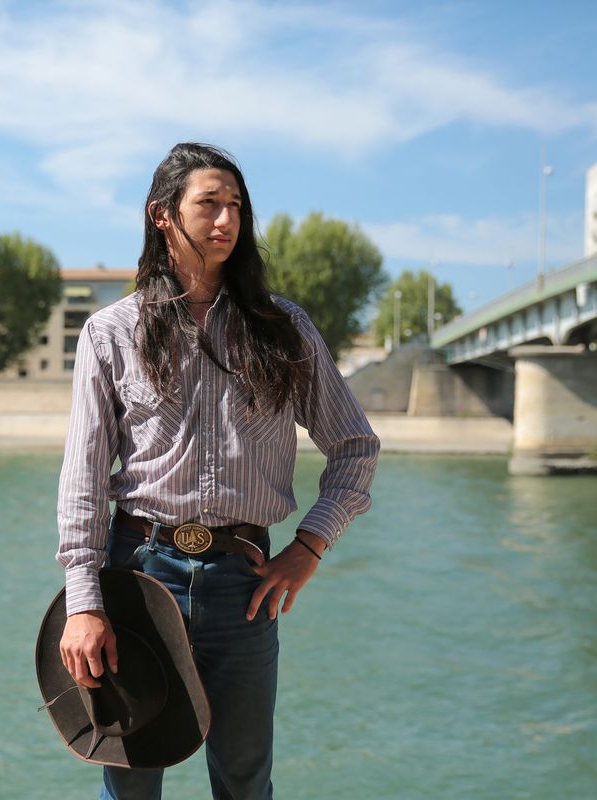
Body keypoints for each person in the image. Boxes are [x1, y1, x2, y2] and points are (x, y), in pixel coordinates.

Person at [56, 142, 379, 799]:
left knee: (243, 782)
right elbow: (83, 479)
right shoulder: (109, 334)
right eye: (208, 204)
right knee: (130, 782)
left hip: (245, 583)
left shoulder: (285, 329)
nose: (226, 219)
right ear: (162, 216)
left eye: (236, 205)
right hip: (138, 577)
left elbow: (355, 447)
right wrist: (83, 600)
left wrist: (310, 547)